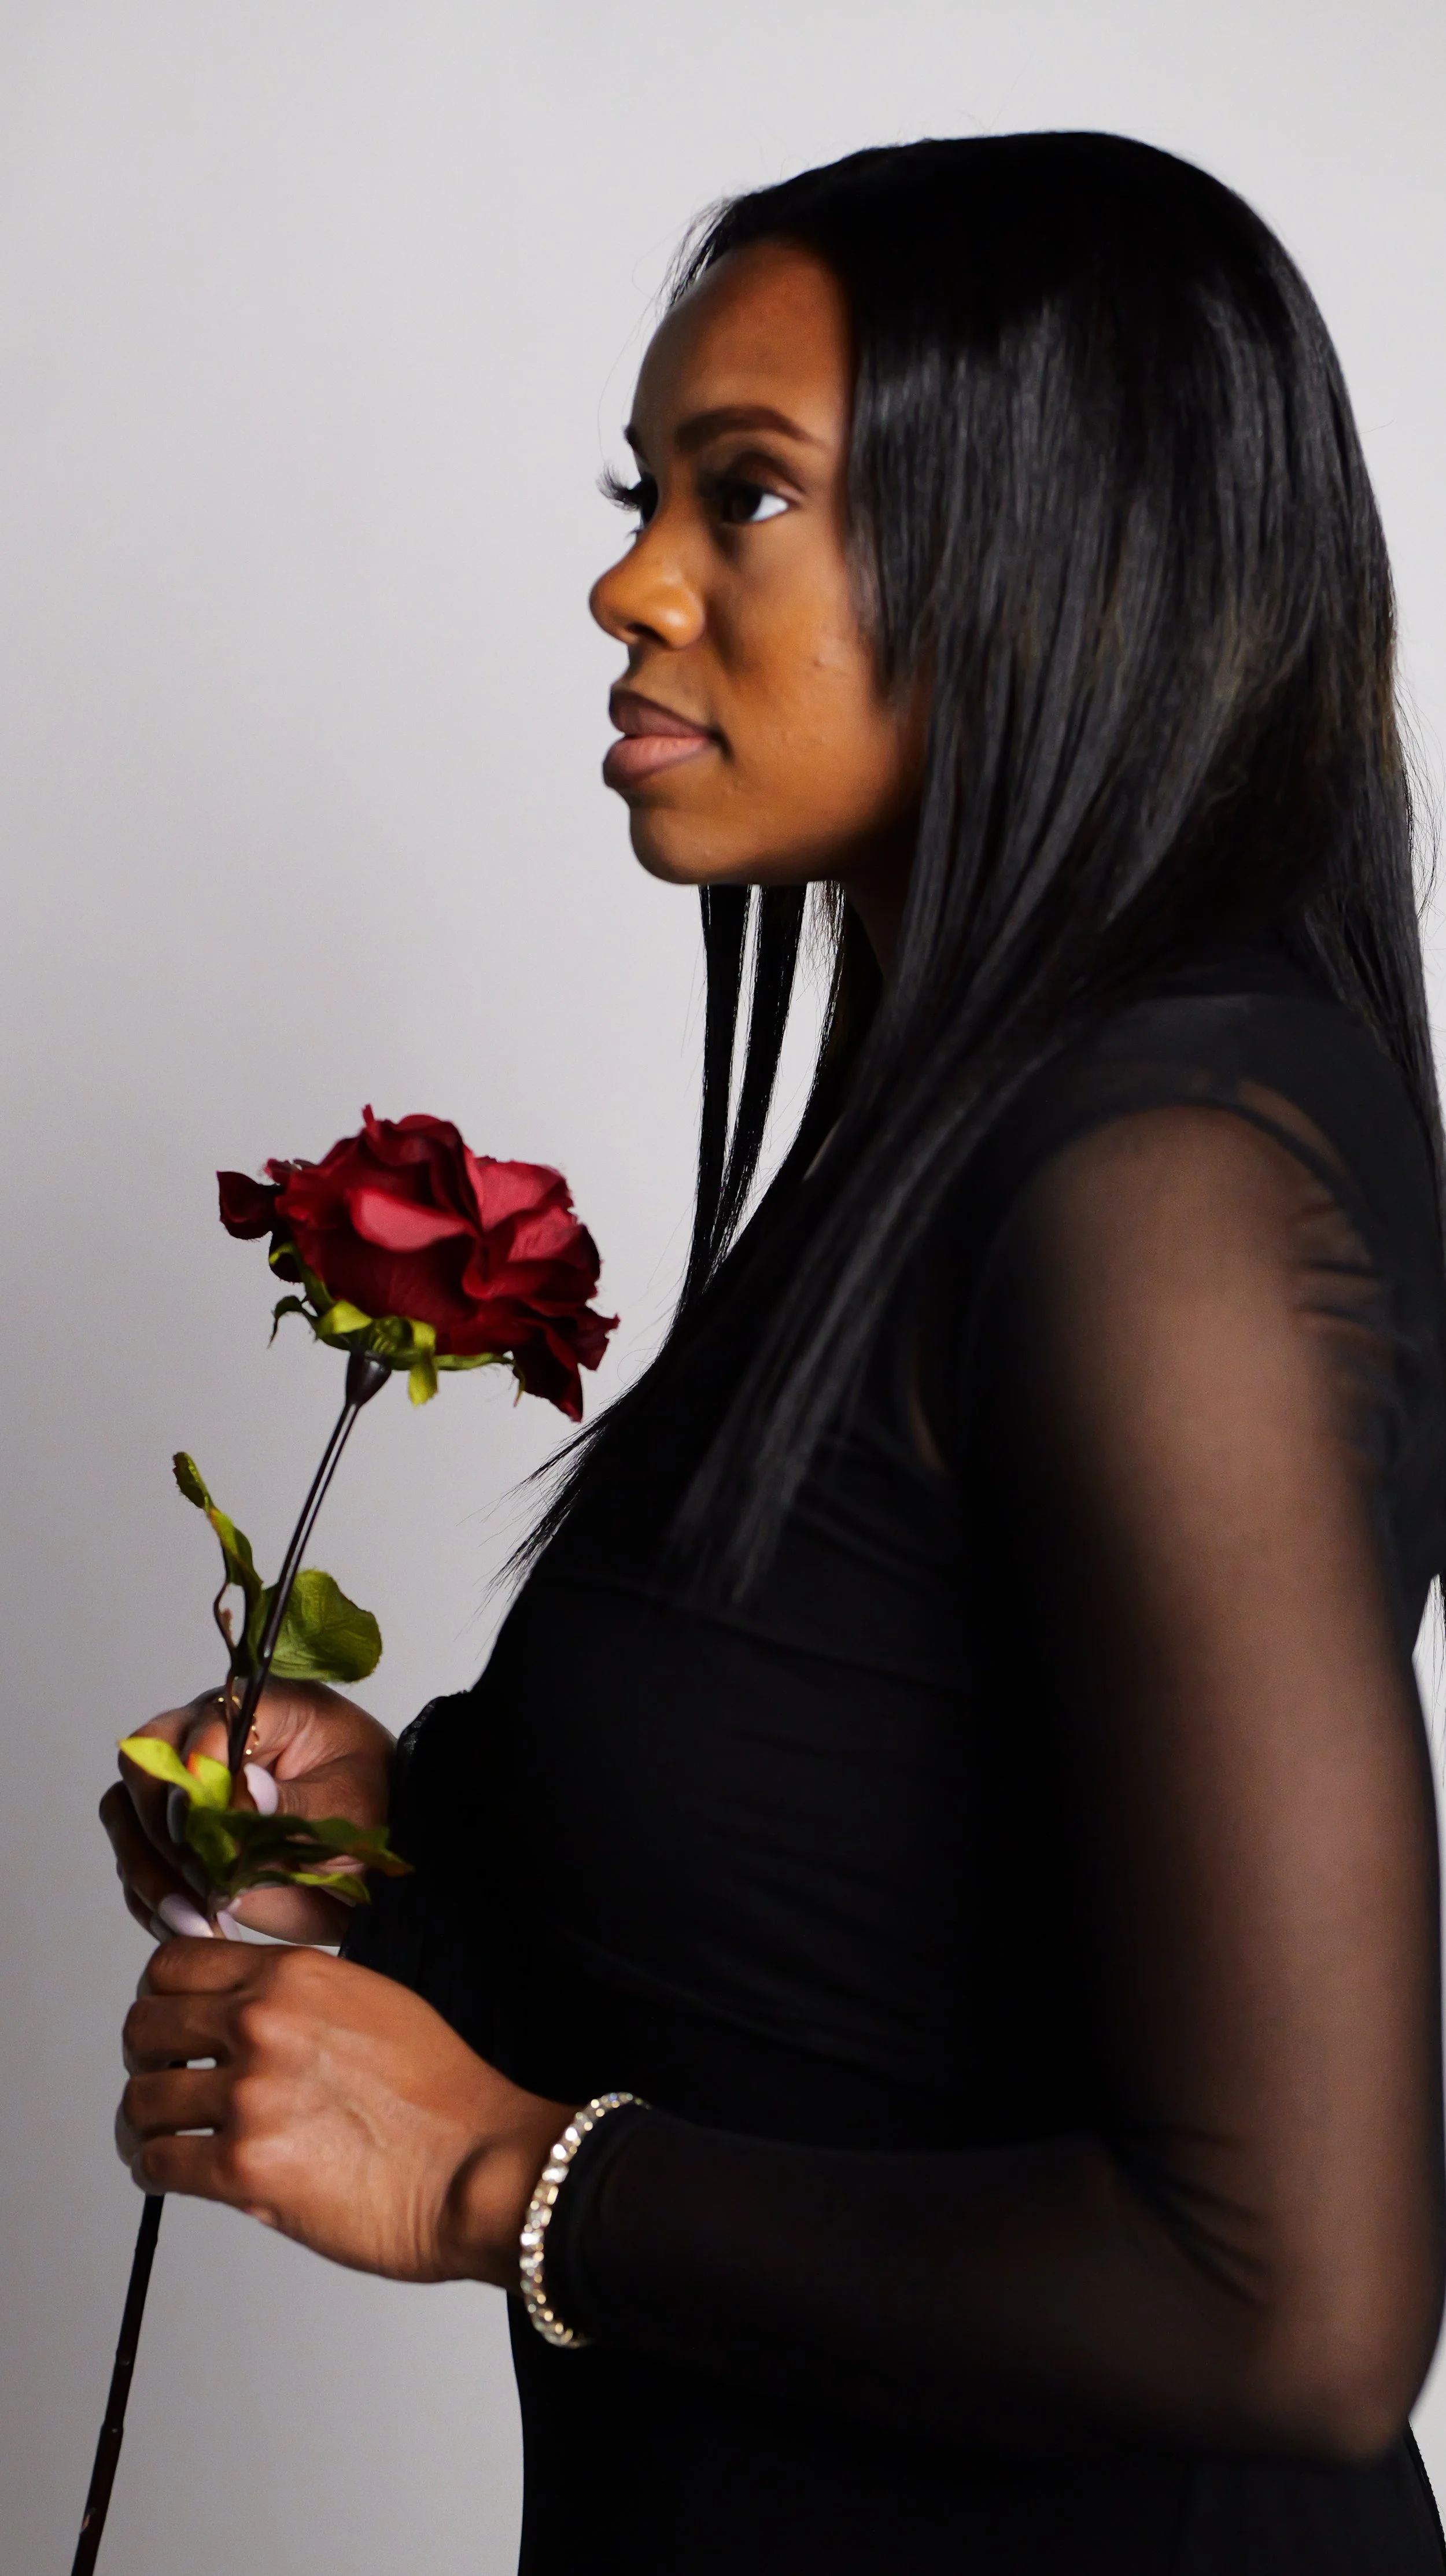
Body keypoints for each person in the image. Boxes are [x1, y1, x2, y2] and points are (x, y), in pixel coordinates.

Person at [101, 133, 1446, 2573]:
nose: (626, 585)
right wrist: (381, 1852)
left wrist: (505, 2180)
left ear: (1070, 549)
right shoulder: (961, 1140)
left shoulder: (1172, 1190)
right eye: (648, 495)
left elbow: (1297, 2313)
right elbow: (855, 1968)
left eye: (746, 498)